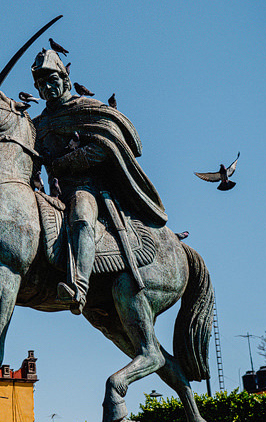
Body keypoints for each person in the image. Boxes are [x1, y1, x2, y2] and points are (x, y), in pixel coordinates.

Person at [31, 46, 168, 313]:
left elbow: (105, 146)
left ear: (65, 79)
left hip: (86, 188)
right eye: (40, 84)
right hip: (53, 193)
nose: (46, 87)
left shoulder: (85, 108)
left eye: (52, 80)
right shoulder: (37, 124)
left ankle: (78, 288)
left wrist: (63, 163)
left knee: (82, 216)